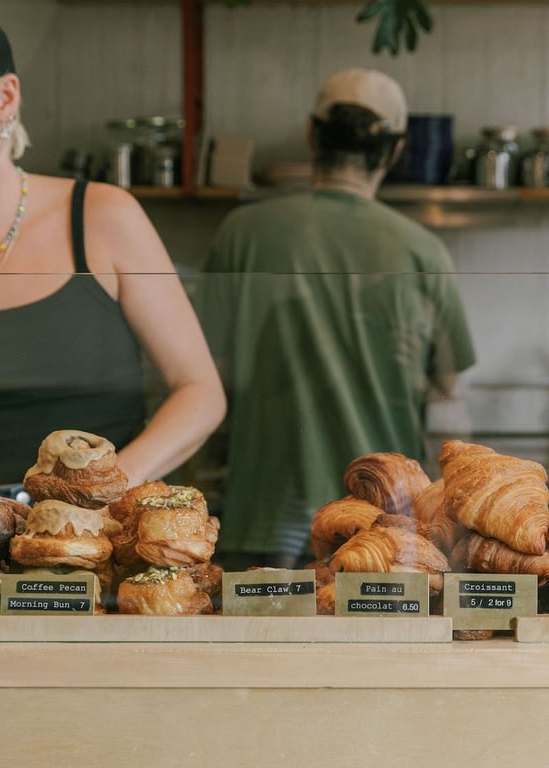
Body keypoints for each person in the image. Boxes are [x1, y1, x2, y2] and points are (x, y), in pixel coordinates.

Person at [195, 68, 476, 569]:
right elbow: (448, 388)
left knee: (260, 645)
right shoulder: (422, 249)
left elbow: (207, 377)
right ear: (394, 150)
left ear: (311, 134)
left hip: (267, 513)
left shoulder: (241, 233)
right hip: (386, 520)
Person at [0, 24, 226, 491]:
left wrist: (101, 490)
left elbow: (199, 392)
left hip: (85, 545)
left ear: (4, 98)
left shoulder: (100, 215)